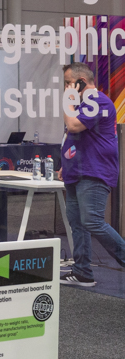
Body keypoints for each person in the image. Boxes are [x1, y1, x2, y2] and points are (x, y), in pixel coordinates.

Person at [60, 62, 125, 286]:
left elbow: (73, 126)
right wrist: (66, 163)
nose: (66, 88)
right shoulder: (83, 104)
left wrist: (68, 100)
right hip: (77, 170)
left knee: (93, 221)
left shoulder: (97, 101)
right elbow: (76, 137)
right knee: (77, 222)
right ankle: (82, 272)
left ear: (81, 82)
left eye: (69, 83)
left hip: (94, 171)